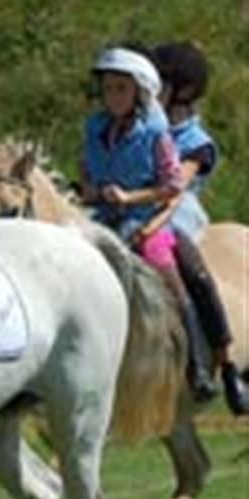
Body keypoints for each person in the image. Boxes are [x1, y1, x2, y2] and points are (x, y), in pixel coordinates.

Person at [80, 46, 215, 400]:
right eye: (108, 89)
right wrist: (93, 191)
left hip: (144, 218)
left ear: (140, 93)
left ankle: (198, 366)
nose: (112, 97)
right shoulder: (95, 128)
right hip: (102, 215)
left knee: (171, 278)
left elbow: (171, 186)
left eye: (120, 89)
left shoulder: (158, 134)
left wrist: (129, 198)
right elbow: (86, 171)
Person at [151, 41, 247, 415]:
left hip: (177, 214)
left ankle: (218, 365)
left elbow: (175, 185)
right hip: (135, 208)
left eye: (157, 83)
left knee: (193, 272)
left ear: (182, 91)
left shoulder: (195, 141)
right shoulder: (140, 127)